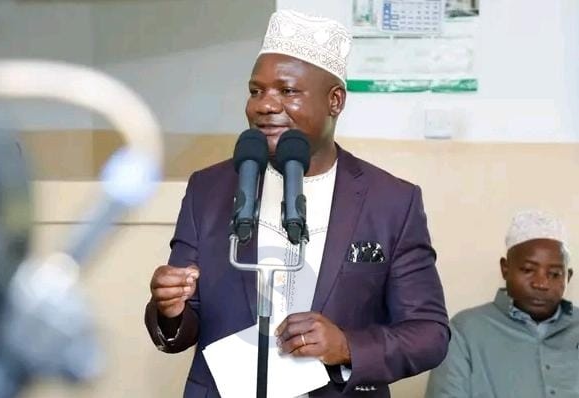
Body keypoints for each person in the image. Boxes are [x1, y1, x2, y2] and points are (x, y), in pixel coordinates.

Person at [145, 9, 449, 397]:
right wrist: (169, 309)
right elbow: (183, 327)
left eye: (287, 91)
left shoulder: (392, 201)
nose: (264, 106)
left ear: (335, 100)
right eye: (256, 91)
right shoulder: (209, 189)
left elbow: (428, 333)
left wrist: (346, 347)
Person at [425, 210, 579, 398]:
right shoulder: (464, 331)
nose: (541, 284)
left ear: (568, 277)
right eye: (528, 270)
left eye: (554, 274)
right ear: (505, 269)